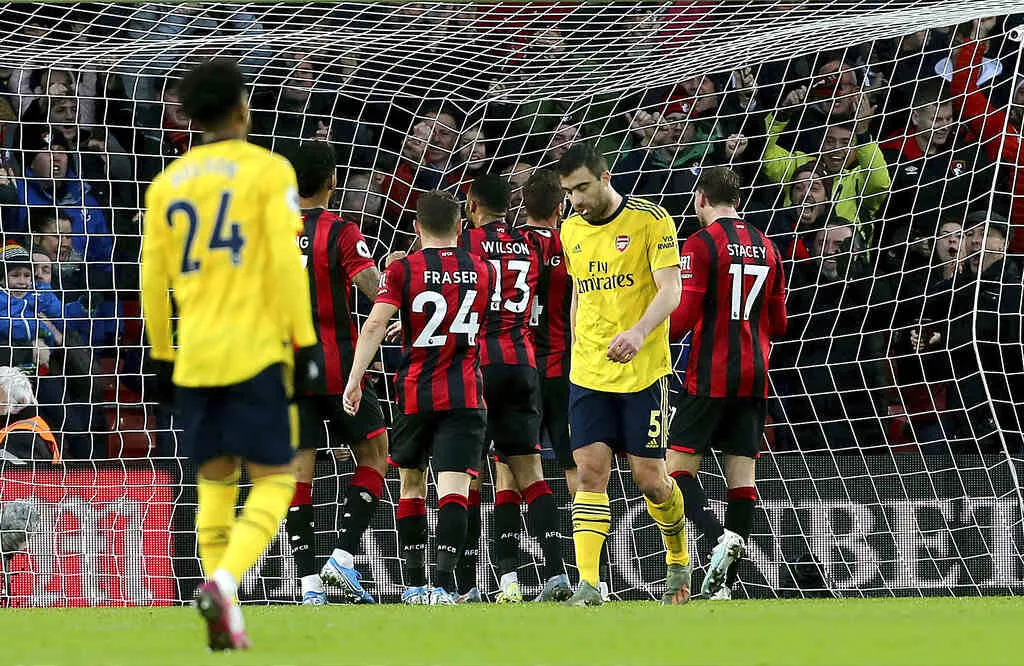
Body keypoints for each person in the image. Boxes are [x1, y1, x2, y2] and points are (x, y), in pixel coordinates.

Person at [141, 59, 317, 651]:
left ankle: (227, 618)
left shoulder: (166, 183)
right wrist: (307, 343)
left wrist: (164, 355)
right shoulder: (269, 171)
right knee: (275, 480)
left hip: (194, 359)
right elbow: (288, 268)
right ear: (242, 108)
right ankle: (222, 582)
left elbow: (151, 278)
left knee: (213, 483)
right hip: (256, 352)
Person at [341, 190, 494, 606]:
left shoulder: (403, 269)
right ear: (462, 227)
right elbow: (460, 317)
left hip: (414, 394)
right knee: (454, 491)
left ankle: (412, 586)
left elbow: (373, 325)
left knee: (411, 484)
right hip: (464, 394)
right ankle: (444, 586)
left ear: (415, 227)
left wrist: (355, 379)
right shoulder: (484, 269)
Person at [555, 142, 691, 606]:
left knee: (651, 479)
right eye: (569, 192)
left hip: (642, 372)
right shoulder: (570, 229)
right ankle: (589, 585)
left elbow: (671, 290)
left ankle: (677, 557)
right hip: (588, 372)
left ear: (605, 176)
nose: (576, 200)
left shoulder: (652, 220)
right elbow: (579, 293)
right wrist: (578, 344)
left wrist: (638, 332)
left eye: (583, 188)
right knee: (590, 473)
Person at [666, 167, 788, 600]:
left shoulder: (699, 244)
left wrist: (646, 332)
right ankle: (725, 587)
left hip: (709, 372)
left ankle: (717, 536)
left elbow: (683, 317)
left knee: (675, 470)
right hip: (755, 373)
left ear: (701, 199)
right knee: (742, 479)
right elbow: (781, 322)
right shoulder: (768, 245)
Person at [285, 140, 387, 606]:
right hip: (337, 364)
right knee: (375, 452)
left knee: (297, 473)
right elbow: (372, 286)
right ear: (332, 180)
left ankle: (307, 586)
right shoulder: (342, 231)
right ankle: (342, 558)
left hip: (285, 367)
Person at [459, 173, 569, 603]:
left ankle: (468, 583)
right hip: (524, 365)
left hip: (480, 365)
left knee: (467, 475)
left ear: (471, 204)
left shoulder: (467, 243)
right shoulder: (533, 244)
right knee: (530, 473)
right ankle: (556, 572)